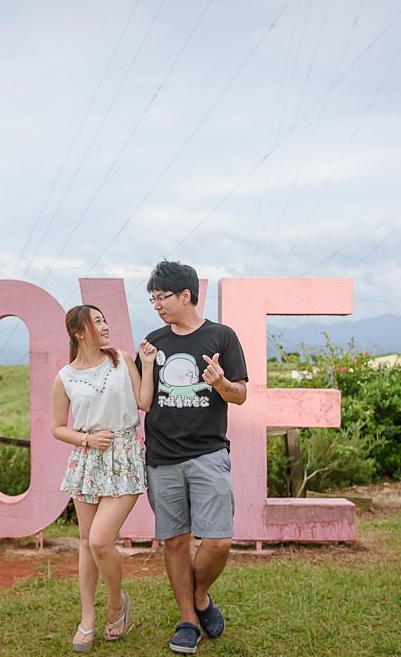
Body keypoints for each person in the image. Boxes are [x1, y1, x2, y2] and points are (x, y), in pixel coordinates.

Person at [136, 260, 248, 655]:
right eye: (152, 299)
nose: (157, 305)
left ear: (186, 295)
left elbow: (240, 394)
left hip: (208, 453)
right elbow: (144, 401)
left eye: (162, 297)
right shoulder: (153, 343)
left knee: (219, 541)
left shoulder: (222, 337)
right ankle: (187, 620)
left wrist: (220, 383)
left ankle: (199, 596)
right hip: (162, 457)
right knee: (175, 541)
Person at [52, 304, 157, 652]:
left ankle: (116, 603)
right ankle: (87, 619)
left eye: (104, 318)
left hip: (124, 454)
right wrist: (86, 439)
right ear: (79, 333)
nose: (105, 325)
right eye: (96, 322)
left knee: (99, 540)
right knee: (85, 542)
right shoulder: (64, 377)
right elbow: (57, 428)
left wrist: (149, 363)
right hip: (87, 459)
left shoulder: (121, 360)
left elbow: (144, 402)